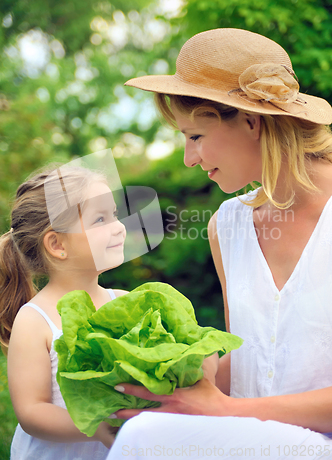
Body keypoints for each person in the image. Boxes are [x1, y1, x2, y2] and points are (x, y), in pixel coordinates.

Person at [105, 28, 332, 459]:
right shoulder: (227, 225)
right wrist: (188, 372)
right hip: (251, 439)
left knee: (141, 441)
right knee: (141, 427)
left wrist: (226, 410)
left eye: (195, 136)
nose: (190, 159)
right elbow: (248, 355)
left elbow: (228, 406)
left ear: (250, 121)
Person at [0, 164, 127, 460]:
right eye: (100, 219)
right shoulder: (35, 320)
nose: (119, 226)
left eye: (115, 215)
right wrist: (96, 426)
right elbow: (32, 412)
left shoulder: (123, 302)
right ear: (57, 244)